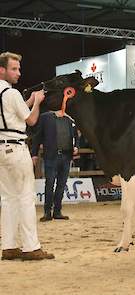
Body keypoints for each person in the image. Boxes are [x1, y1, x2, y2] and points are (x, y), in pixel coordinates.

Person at [0, 51, 54, 260]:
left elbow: (12, 115)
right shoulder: (12, 94)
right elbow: (31, 121)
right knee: (26, 197)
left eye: (19, 69)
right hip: (16, 148)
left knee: (8, 199)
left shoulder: (8, 95)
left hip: (1, 149)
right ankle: (31, 247)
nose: (18, 73)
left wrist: (28, 101)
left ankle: (9, 246)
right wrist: (38, 101)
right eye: (14, 69)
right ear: (2, 70)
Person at [31, 110, 79, 222]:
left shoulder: (70, 118)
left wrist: (76, 146)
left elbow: (75, 136)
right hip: (51, 155)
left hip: (66, 155)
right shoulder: (46, 117)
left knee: (61, 185)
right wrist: (34, 153)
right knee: (50, 184)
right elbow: (37, 136)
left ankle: (57, 211)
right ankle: (47, 212)